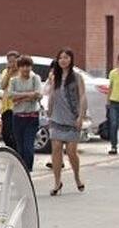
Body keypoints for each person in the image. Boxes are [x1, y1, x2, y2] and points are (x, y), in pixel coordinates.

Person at [48, 48, 87, 195]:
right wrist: (49, 112)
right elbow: (51, 95)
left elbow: (82, 96)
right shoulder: (54, 77)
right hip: (57, 118)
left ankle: (77, 177)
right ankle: (57, 182)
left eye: (66, 57)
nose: (63, 60)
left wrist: (81, 116)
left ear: (71, 59)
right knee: (56, 150)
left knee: (71, 152)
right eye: (61, 58)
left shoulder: (77, 77)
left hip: (72, 118)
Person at [8, 55, 42, 171]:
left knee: (28, 145)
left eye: (27, 66)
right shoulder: (14, 81)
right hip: (17, 117)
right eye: (22, 66)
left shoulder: (35, 78)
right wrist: (29, 95)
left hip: (32, 117)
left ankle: (28, 169)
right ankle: (21, 169)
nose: (25, 69)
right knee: (20, 146)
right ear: (18, 67)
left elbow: (38, 94)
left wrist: (20, 98)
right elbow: (11, 96)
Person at [0, 50, 20, 150]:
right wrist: (8, 74)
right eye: (9, 61)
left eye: (13, 61)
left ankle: (17, 152)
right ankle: (11, 150)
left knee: (15, 133)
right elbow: (2, 86)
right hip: (6, 107)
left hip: (17, 107)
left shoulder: (21, 72)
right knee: (6, 133)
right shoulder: (5, 72)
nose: (11, 64)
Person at [107, 52, 119, 155]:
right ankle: (113, 146)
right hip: (114, 102)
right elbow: (110, 87)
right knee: (114, 124)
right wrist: (107, 101)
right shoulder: (113, 73)